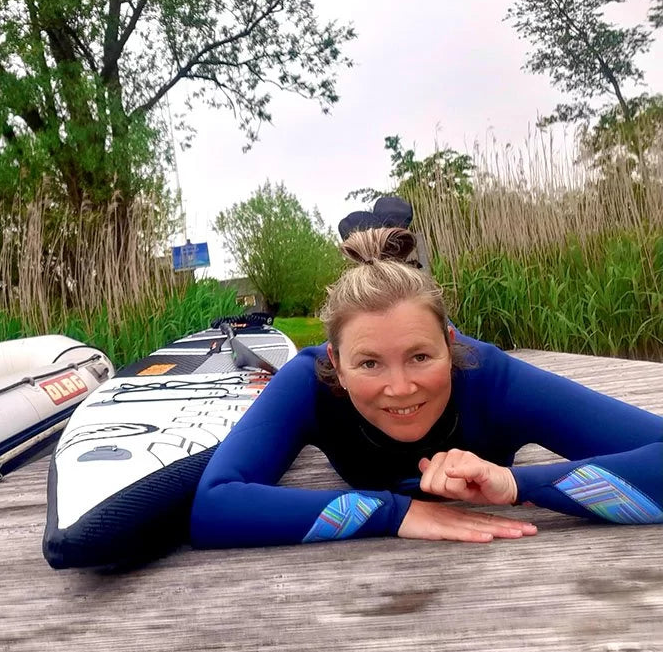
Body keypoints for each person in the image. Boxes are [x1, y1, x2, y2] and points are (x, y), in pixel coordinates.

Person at [190, 227, 663, 547]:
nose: (400, 388)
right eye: (369, 363)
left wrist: (515, 483)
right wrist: (393, 513)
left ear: (450, 342)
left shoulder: (491, 378)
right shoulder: (311, 382)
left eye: (420, 357)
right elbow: (214, 507)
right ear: (335, 361)